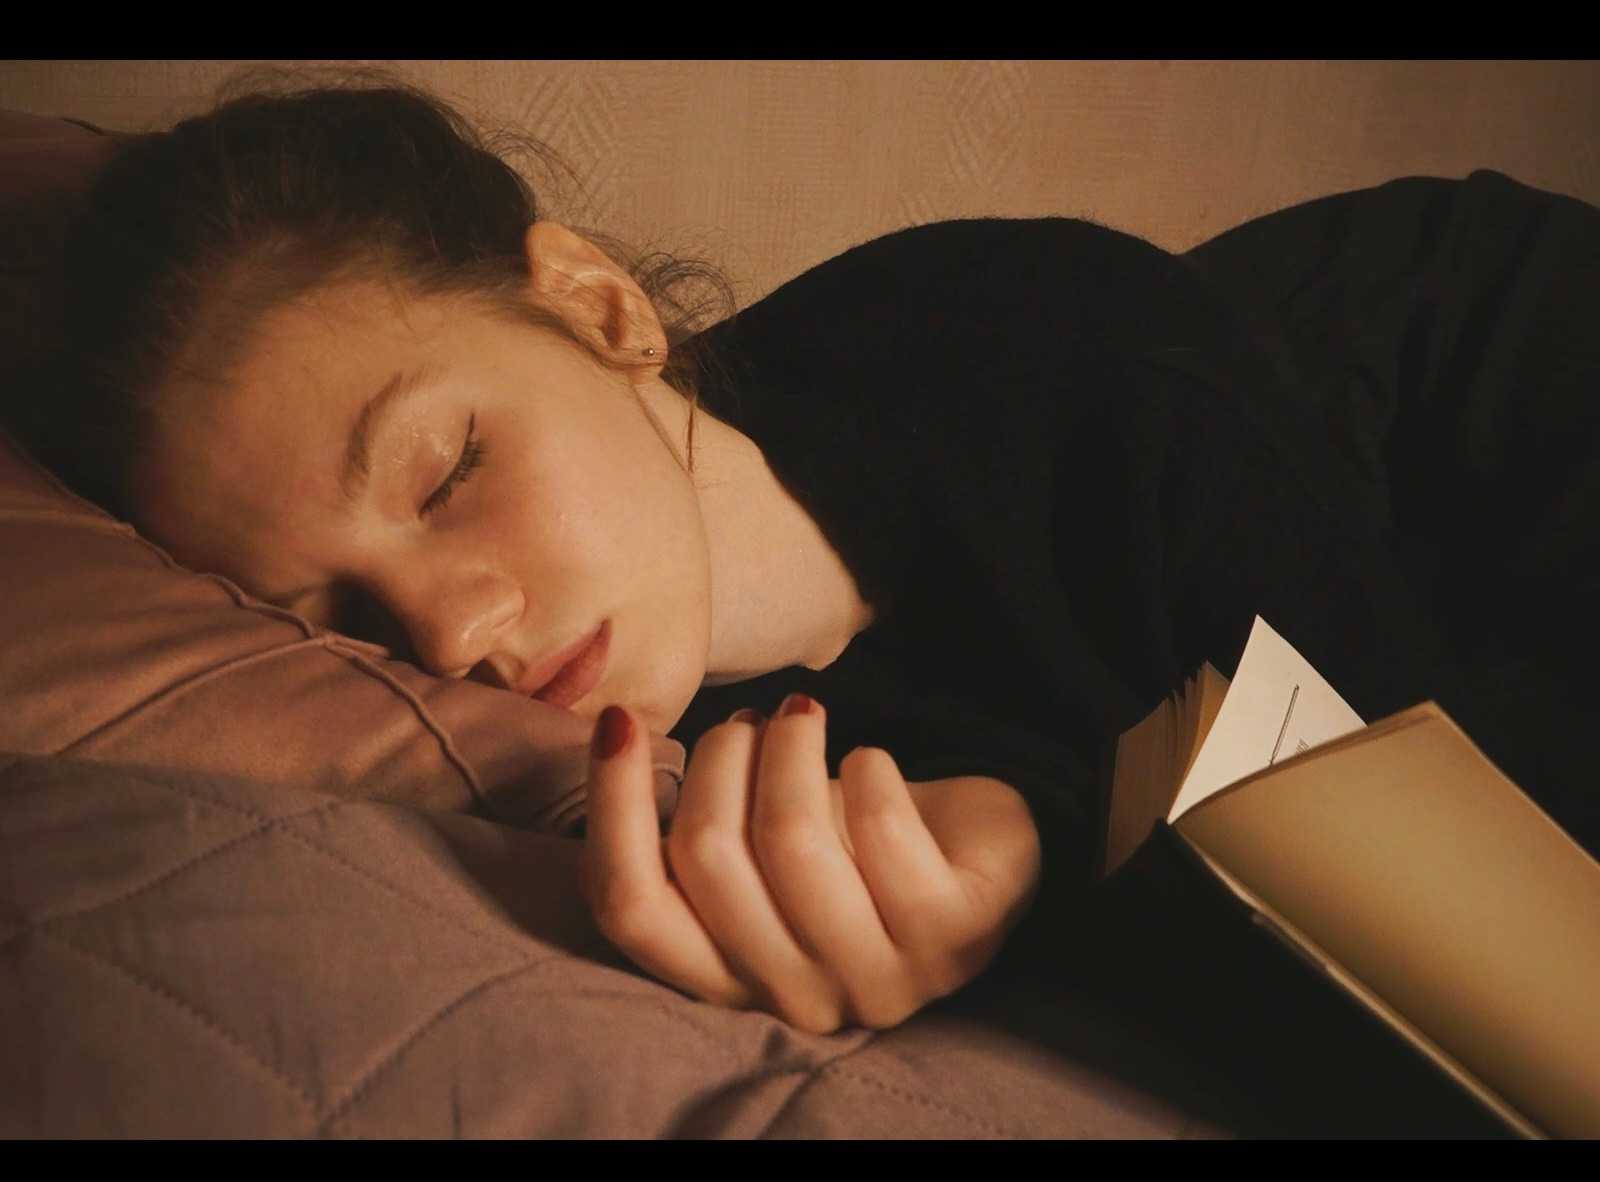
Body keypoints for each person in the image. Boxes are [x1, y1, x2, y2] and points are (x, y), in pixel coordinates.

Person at [11, 77, 1598, 1084]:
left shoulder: (1062, 360)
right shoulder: (671, 782)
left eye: (446, 472)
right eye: (335, 616)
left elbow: (1453, 881)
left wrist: (1047, 855)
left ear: (600, 308)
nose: (451, 631)